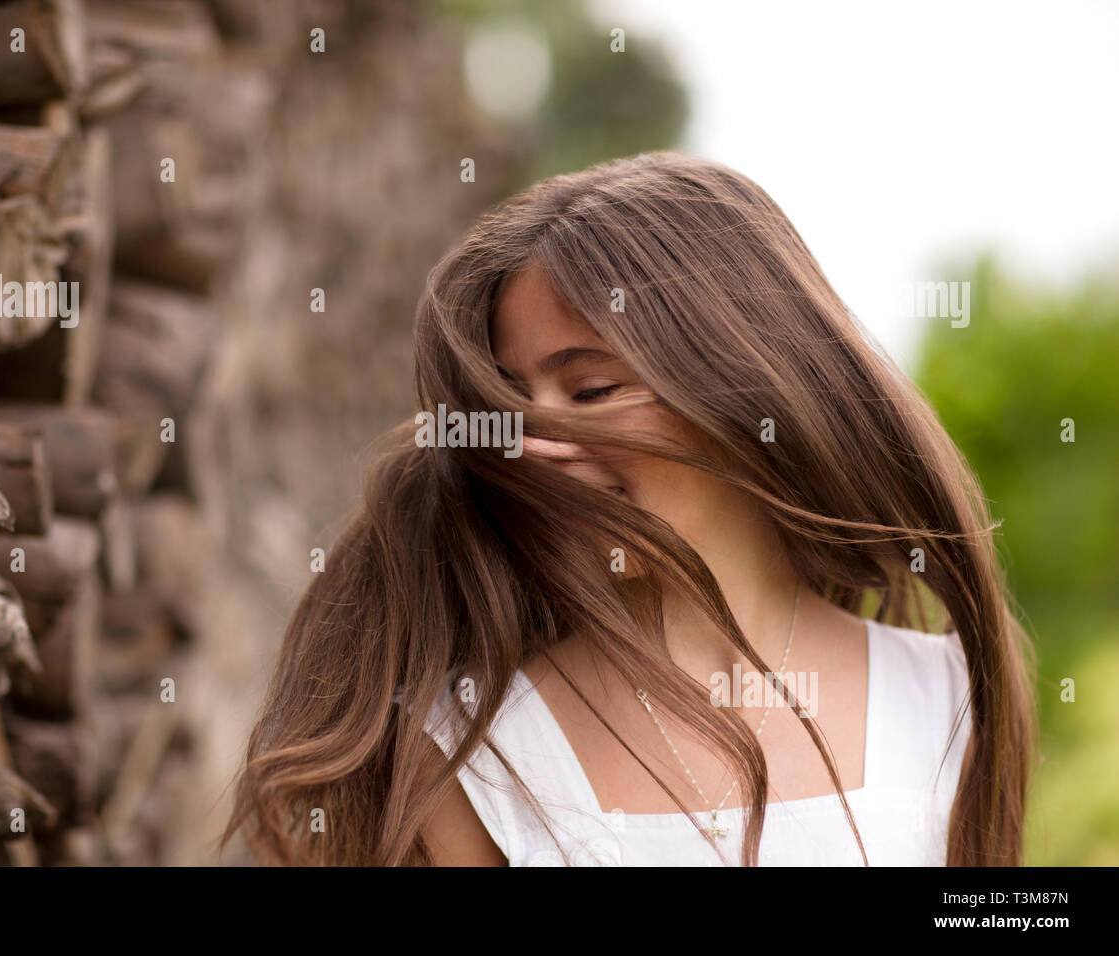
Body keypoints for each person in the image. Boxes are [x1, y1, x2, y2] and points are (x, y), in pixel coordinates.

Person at [224, 152, 1037, 866]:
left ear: (739, 380)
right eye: (510, 407)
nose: (532, 444)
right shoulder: (475, 748)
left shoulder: (944, 693)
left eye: (591, 389)